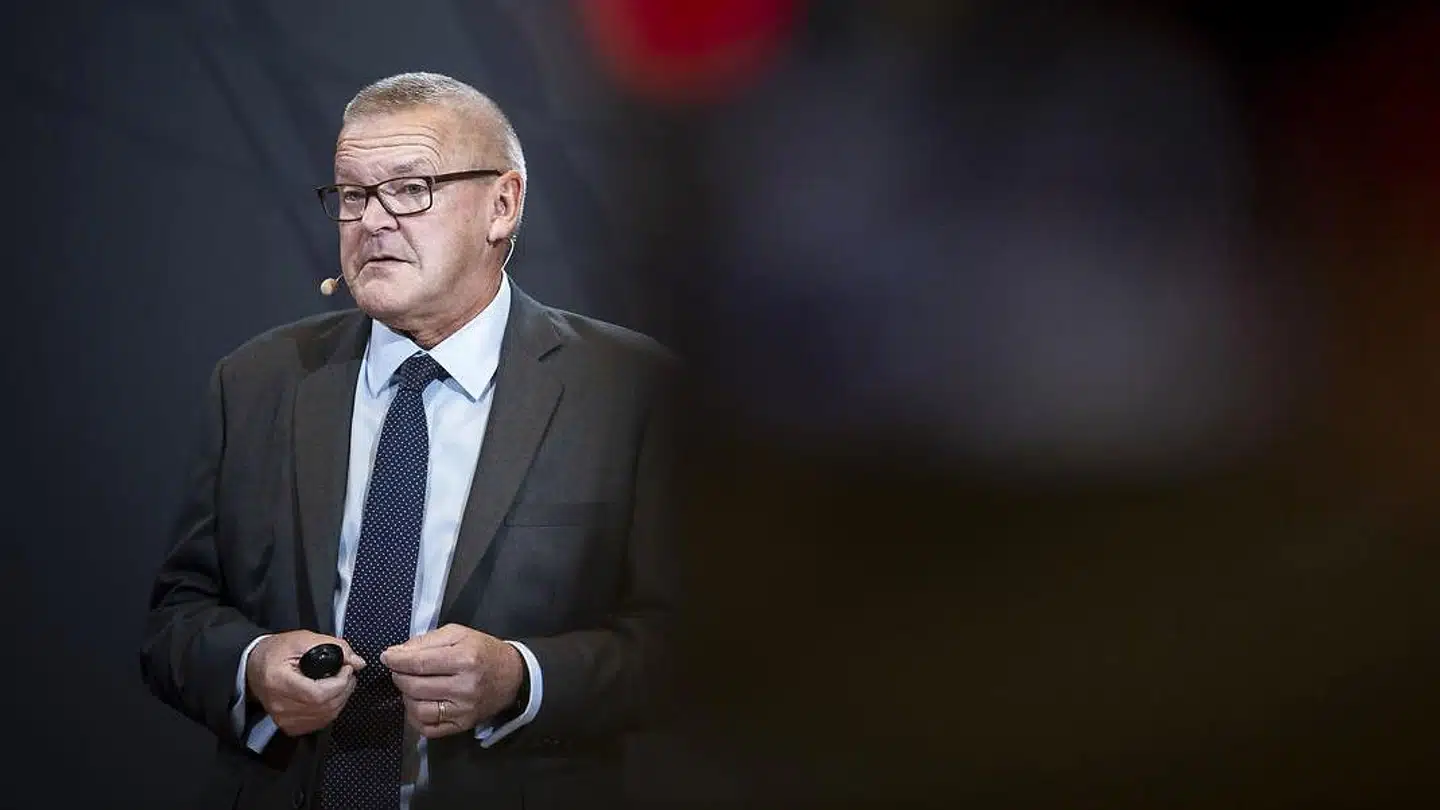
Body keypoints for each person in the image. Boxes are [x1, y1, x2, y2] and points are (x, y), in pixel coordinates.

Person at [139, 71, 678, 810]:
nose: (372, 221)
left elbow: (696, 648)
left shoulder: (632, 387)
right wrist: (253, 666)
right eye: (351, 195)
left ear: (502, 205)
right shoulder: (257, 380)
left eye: (409, 189)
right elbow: (176, 617)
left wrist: (521, 677)